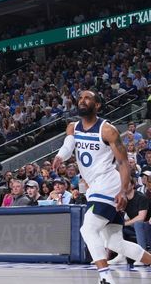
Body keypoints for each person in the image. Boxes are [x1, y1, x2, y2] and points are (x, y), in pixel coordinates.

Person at [52, 90, 151, 284]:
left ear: (97, 105)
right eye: (80, 98)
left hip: (108, 184)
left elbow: (123, 163)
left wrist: (123, 191)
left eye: (87, 98)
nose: (82, 100)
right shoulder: (72, 127)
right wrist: (60, 157)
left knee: (87, 230)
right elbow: (68, 145)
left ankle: (105, 277)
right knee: (115, 243)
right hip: (94, 187)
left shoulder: (107, 130)